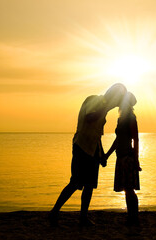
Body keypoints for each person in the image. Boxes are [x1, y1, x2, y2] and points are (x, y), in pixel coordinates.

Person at [49, 83, 127, 226]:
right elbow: (89, 117)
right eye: (116, 102)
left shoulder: (104, 109)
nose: (116, 106)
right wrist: (104, 107)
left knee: (89, 186)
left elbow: (97, 135)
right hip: (81, 147)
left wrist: (102, 154)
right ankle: (54, 212)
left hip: (93, 150)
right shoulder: (95, 100)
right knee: (75, 182)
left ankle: (83, 218)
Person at [104, 92, 141, 226]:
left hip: (128, 157)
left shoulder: (131, 118)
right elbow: (118, 139)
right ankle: (130, 216)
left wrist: (136, 159)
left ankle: (134, 217)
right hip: (120, 157)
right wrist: (107, 154)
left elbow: (136, 139)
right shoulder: (121, 119)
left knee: (130, 189)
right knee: (126, 189)